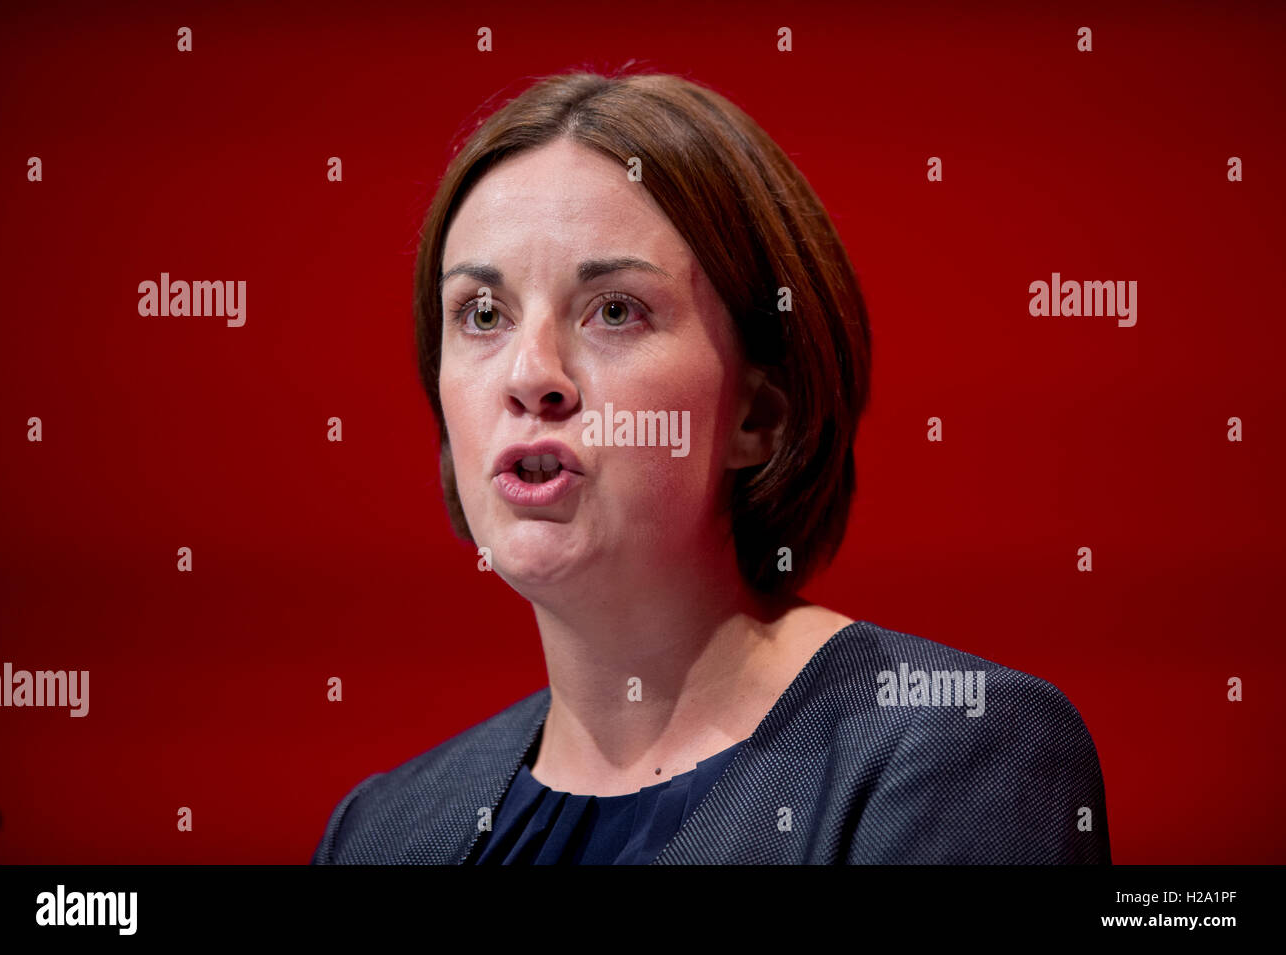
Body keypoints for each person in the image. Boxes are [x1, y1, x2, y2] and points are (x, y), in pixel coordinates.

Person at [312, 69, 1110, 865]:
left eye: (615, 310)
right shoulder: (379, 831)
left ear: (759, 413)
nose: (530, 375)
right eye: (482, 314)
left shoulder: (956, 754)